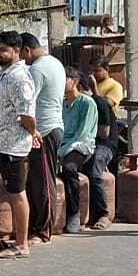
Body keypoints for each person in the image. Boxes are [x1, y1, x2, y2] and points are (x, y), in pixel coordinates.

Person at [0, 31, 37, 259]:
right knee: (12, 192)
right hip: (2, 143)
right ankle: (16, 239)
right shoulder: (7, 75)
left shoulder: (19, 78)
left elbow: (27, 114)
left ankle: (22, 245)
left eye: (3, 50)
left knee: (17, 193)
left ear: (17, 52)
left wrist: (33, 132)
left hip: (13, 146)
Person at [21, 33, 64, 246]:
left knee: (44, 183)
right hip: (49, 128)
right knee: (36, 181)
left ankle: (44, 230)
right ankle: (37, 227)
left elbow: (27, 102)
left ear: (27, 50)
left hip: (44, 131)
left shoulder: (37, 69)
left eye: (22, 54)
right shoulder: (55, 63)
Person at [58, 68, 98, 234]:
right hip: (61, 144)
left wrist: (61, 152)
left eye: (64, 79)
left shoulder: (87, 103)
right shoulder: (60, 103)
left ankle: (74, 213)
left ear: (74, 81)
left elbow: (82, 134)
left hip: (81, 145)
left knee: (69, 169)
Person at [80, 72, 117, 230]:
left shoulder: (99, 103)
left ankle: (103, 214)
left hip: (104, 145)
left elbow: (104, 134)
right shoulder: (73, 104)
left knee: (94, 169)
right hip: (83, 142)